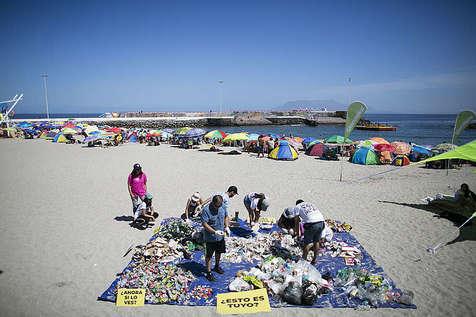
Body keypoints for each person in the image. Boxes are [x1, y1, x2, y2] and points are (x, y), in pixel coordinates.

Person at [201, 195, 230, 281]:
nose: (218, 207)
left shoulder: (222, 206)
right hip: (210, 237)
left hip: (220, 236)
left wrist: (227, 226)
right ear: (213, 203)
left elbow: (226, 216)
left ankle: (217, 266)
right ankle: (209, 272)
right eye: (217, 206)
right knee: (209, 255)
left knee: (219, 251)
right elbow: (204, 224)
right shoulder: (206, 210)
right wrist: (214, 232)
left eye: (219, 205)